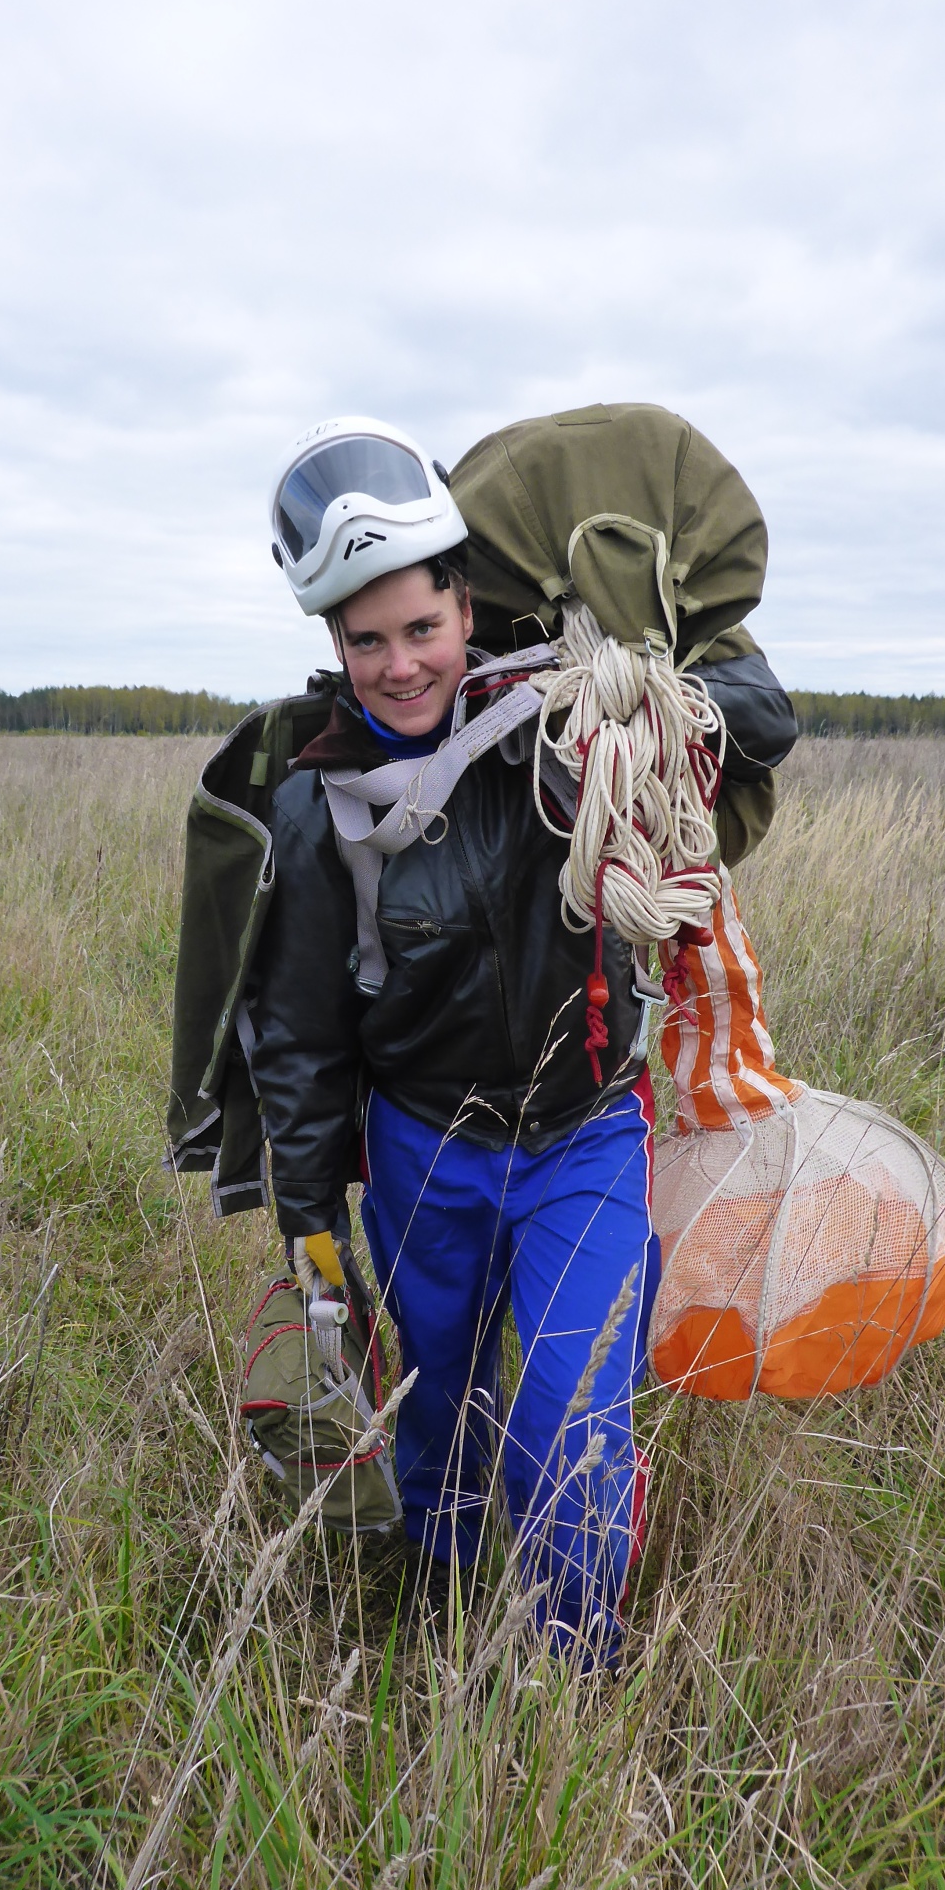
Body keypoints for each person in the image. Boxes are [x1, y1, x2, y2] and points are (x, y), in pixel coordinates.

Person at [244, 416, 659, 1668]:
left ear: (465, 608)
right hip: (427, 1149)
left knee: (569, 1422)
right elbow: (303, 1043)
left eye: (420, 627)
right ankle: (439, 1603)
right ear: (333, 646)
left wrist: (652, 680)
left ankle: (575, 1676)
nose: (400, 664)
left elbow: (757, 717)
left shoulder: (554, 725)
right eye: (365, 641)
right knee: (437, 1410)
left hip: (588, 1134)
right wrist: (315, 1244)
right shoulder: (318, 808)